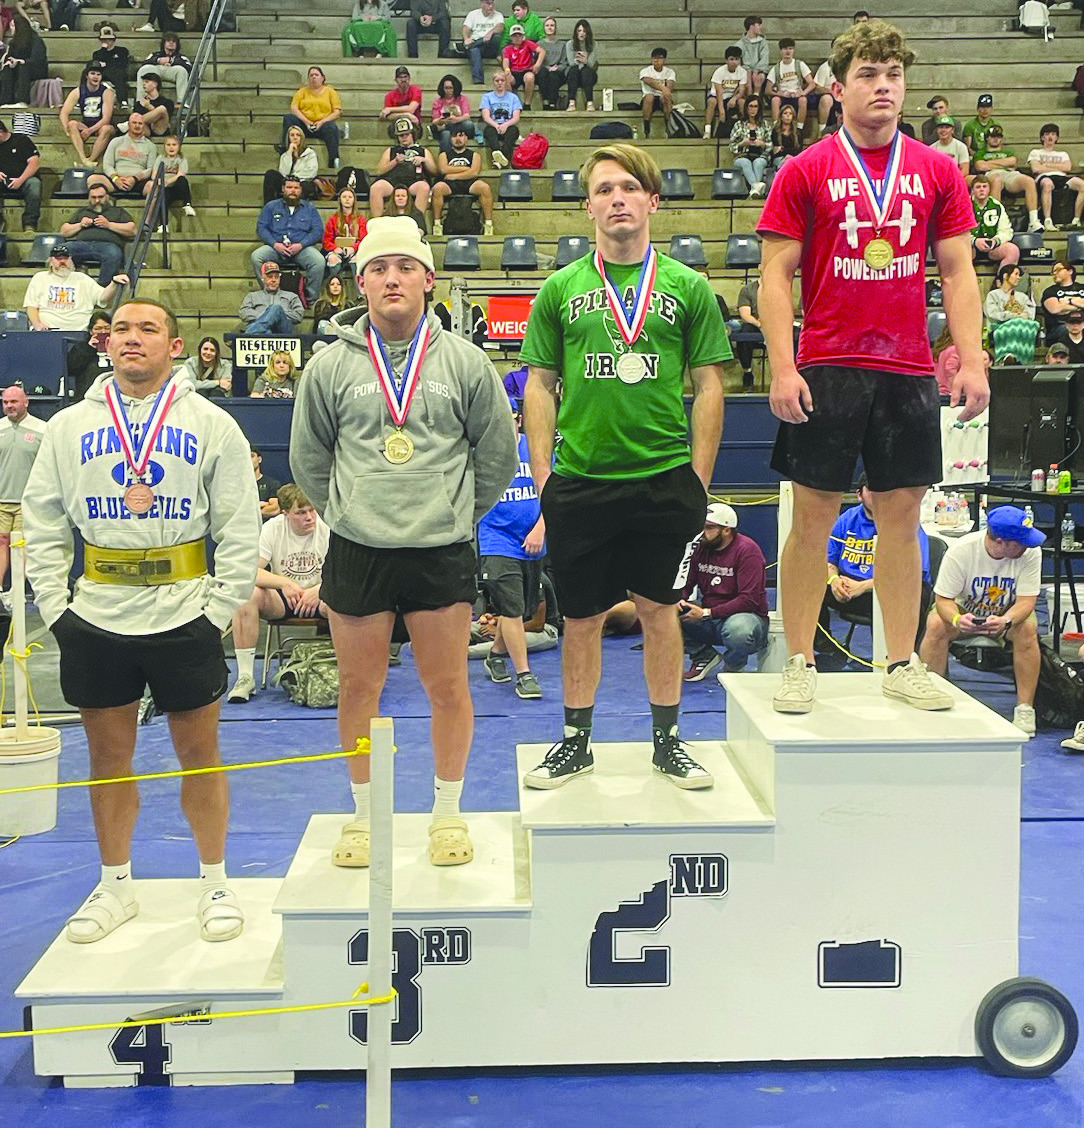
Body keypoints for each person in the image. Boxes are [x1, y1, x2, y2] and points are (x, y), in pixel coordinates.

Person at [756, 19, 988, 714]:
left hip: (908, 365)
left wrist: (971, 361)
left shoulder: (937, 169)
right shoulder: (805, 170)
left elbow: (958, 272)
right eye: (868, 74)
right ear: (840, 85)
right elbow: (774, 275)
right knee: (814, 515)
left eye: (892, 75)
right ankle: (798, 660)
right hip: (827, 361)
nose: (883, 86)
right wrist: (781, 365)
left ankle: (901, 660)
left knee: (902, 513)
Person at [22, 298, 261, 945]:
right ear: (106, 343)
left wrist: (219, 608)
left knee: (199, 754)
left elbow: (238, 523)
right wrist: (57, 606)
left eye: (147, 329)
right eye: (122, 329)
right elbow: (41, 521)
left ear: (175, 346)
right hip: (94, 613)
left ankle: (214, 880)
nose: (132, 338)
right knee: (107, 757)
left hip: (185, 609)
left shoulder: (211, 424)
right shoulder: (68, 428)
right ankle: (116, 885)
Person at [290, 216, 519, 869]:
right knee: (358, 689)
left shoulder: (467, 363)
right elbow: (309, 459)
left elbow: (496, 457)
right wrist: (351, 511)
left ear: (427, 279)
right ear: (359, 282)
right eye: (379, 268)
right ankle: (362, 818)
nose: (392, 278)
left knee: (448, 686)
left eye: (405, 267)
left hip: (439, 550)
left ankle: (447, 813)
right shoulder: (330, 366)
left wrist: (452, 513)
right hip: (359, 550)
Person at [520, 143, 729, 790]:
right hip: (581, 480)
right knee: (579, 617)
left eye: (628, 188)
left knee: (660, 609)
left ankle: (668, 742)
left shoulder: (689, 287)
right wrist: (545, 478)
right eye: (604, 189)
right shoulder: (560, 288)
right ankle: (575, 742)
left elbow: (710, 385)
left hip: (663, 480)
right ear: (587, 207)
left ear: (652, 201)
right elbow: (538, 385)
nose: (617, 199)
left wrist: (698, 478)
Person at [920, 506, 1043, 737]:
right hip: (965, 610)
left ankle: (1025, 708)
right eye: (1021, 541)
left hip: (1007, 612)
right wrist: (957, 619)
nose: (1028, 545)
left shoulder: (1030, 552)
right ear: (999, 542)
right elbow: (943, 599)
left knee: (1027, 629)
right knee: (936, 624)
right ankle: (933, 695)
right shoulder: (962, 551)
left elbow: (1027, 601)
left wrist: (1006, 621)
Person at [227, 483, 330, 703]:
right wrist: (284, 583)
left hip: (322, 595)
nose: (309, 517)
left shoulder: (327, 526)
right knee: (246, 594)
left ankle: (351, 671)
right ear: (285, 514)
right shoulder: (272, 528)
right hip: (284, 599)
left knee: (347, 600)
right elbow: (249, 572)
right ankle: (245, 677)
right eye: (301, 513)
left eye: (311, 510)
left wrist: (319, 590)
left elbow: (347, 573)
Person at [816, 473, 932, 655]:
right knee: (808, 582)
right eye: (871, 490)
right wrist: (834, 581)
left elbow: (912, 575)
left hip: (891, 590)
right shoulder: (847, 519)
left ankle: (903, 655)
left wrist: (864, 586)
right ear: (859, 495)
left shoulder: (905, 523)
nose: (877, 495)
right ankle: (825, 645)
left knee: (918, 592)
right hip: (849, 589)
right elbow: (829, 559)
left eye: (882, 490)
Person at [478, 400, 545, 699]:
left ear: (518, 419)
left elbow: (553, 491)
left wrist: (541, 529)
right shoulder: (482, 452)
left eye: (510, 418)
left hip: (533, 541)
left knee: (520, 609)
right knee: (513, 608)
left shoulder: (536, 447)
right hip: (496, 540)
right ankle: (524, 674)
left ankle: (495, 655)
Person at [679, 503, 769, 681]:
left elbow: (748, 600)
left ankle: (734, 666)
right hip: (711, 616)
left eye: (709, 528)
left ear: (726, 530)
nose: (703, 532)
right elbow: (686, 583)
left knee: (739, 630)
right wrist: (678, 602)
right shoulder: (700, 548)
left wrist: (707, 613)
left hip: (747, 617)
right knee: (666, 613)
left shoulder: (747, 551)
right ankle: (703, 656)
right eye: (702, 527)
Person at [0, 384, 45, 602]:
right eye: (6, 402)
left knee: (20, 546)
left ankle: (16, 592)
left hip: (27, 502)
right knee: (0, 543)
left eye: (14, 402)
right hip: (1, 501)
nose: (9, 406)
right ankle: (1, 591)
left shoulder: (42, 430)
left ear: (25, 402)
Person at [252, 175, 326, 303]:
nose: (293, 190)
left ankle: (309, 299)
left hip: (301, 249)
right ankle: (270, 293)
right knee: (257, 256)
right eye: (289, 187)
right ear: (283, 189)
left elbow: (317, 231)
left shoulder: (310, 208)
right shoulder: (271, 206)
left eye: (296, 188)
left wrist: (301, 245)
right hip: (276, 248)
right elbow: (261, 228)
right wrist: (275, 244)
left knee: (318, 261)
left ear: (300, 190)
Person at [23, 245, 127, 330]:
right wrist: (37, 324)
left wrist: (114, 283)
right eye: (58, 259)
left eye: (65, 258)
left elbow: (103, 297)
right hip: (48, 332)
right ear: (51, 261)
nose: (62, 262)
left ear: (71, 260)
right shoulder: (40, 278)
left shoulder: (82, 279)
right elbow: (31, 307)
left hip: (81, 331)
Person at [58, 182, 135, 287]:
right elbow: (64, 231)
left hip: (107, 246)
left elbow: (132, 230)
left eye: (101, 197)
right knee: (60, 250)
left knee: (113, 253)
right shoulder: (82, 212)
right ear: (89, 198)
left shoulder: (117, 211)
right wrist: (80, 225)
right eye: (93, 197)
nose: (97, 201)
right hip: (82, 245)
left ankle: (102, 290)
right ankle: (62, 285)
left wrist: (108, 225)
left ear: (107, 197)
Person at [972, 125, 1041, 233]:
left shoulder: (1008, 152)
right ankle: (995, 221)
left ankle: (1034, 221)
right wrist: (1003, 163)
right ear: (987, 138)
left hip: (1010, 174)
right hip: (991, 174)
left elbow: (1013, 162)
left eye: (998, 137)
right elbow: (981, 166)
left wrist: (989, 163)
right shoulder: (981, 153)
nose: (995, 139)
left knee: (1029, 181)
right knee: (997, 180)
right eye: (992, 137)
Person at [432, 123, 494, 236]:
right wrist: (465, 169)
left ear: (466, 138)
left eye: (461, 136)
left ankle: (488, 225)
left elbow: (474, 172)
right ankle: (437, 224)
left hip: (469, 183)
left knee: (484, 188)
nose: (458, 139)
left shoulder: (474, 155)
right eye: (454, 136)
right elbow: (443, 169)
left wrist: (453, 175)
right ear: (450, 139)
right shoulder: (444, 155)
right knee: (437, 188)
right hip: (450, 185)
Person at [369, 117, 437, 219]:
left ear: (412, 134)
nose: (404, 138)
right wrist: (394, 162)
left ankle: (417, 224)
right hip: (393, 181)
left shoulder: (422, 151)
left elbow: (434, 171)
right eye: (401, 135)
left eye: (407, 134)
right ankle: (377, 222)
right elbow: (380, 171)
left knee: (424, 187)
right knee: (376, 188)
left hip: (414, 181)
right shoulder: (391, 150)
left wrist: (424, 160)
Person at [281, 66, 342, 171]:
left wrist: (321, 122)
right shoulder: (302, 92)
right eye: (311, 75)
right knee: (288, 118)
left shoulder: (330, 91)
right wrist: (306, 122)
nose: (314, 77)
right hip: (304, 125)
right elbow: (294, 108)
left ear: (322, 78)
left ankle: (333, 159)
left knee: (331, 128)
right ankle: (285, 149)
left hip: (323, 125)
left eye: (316, 75)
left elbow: (337, 112)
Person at [58, 62, 116, 169]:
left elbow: (106, 118)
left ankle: (91, 159)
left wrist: (90, 131)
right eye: (93, 73)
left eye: (98, 74)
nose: (95, 77)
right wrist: (67, 129)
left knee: (107, 129)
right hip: (86, 124)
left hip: (100, 126)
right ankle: (83, 158)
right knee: (72, 124)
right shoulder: (78, 91)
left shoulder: (107, 92)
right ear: (87, 75)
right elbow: (64, 113)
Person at [1027, 123, 1084, 231]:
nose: (1050, 137)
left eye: (1053, 134)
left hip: (1062, 177)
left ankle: (1076, 220)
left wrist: (1046, 165)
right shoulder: (1036, 152)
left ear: (1057, 138)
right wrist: (1058, 167)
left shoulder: (1063, 154)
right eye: (1047, 134)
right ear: (1042, 137)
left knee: (1082, 185)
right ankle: (1048, 220)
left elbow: (1067, 167)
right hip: (1044, 177)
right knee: (1047, 184)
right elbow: (1036, 169)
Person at [984, 262, 1038, 364]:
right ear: (1005, 276)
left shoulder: (1022, 296)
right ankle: (1007, 357)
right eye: (1016, 274)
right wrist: (1012, 316)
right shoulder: (993, 295)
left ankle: (1024, 359)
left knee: (1034, 324)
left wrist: (1024, 316)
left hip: (1022, 326)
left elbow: (1030, 313)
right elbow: (992, 314)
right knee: (1015, 325)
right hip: (1000, 326)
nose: (1019, 278)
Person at [92, 113, 158, 197]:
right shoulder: (116, 142)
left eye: (140, 123)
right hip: (116, 180)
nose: (137, 126)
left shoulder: (151, 146)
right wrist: (116, 179)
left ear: (144, 126)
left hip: (138, 182)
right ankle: (103, 208)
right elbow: (107, 165)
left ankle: (149, 210)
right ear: (128, 124)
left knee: (153, 187)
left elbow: (150, 169)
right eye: (134, 123)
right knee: (92, 179)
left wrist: (134, 178)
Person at [240, 261, 307, 336]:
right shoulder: (252, 296)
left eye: (276, 276)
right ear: (263, 278)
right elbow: (244, 313)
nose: (273, 280)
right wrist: (267, 315)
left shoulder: (291, 296)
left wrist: (278, 314)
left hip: (283, 331)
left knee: (276, 309)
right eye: (270, 277)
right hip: (263, 333)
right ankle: (259, 329)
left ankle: (250, 333)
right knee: (267, 332)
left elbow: (298, 316)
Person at [0, 116, 40, 234]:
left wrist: (20, 180)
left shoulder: (22, 140)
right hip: (3, 181)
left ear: (1, 132)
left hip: (23, 180)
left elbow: (34, 163)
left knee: (34, 184)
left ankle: (29, 225)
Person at [970, 175, 1019, 267]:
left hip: (992, 247)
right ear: (972, 190)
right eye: (978, 187)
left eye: (984, 187)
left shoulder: (997, 206)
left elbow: (1006, 231)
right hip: (970, 246)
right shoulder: (964, 206)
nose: (981, 190)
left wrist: (995, 241)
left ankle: (1003, 280)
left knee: (1012, 250)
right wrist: (974, 241)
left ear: (989, 189)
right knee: (963, 250)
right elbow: (958, 232)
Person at [729, 93, 772, 197]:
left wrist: (762, 144)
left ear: (759, 109)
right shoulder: (739, 125)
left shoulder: (765, 124)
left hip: (760, 156)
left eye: (755, 106)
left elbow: (771, 146)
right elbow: (731, 146)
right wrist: (742, 143)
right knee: (745, 162)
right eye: (751, 106)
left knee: (758, 163)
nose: (753, 109)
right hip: (742, 156)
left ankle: (754, 192)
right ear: (746, 108)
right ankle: (757, 189)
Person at [765, 37, 814, 129]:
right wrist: (779, 93)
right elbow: (767, 90)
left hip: (796, 95)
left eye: (790, 49)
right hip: (783, 96)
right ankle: (776, 129)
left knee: (803, 100)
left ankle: (799, 128)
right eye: (785, 49)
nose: (788, 52)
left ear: (793, 50)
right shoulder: (776, 68)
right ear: (780, 51)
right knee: (775, 100)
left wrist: (803, 93)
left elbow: (812, 83)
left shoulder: (799, 64)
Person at [264, 124, 319, 204]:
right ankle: (269, 207)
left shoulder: (310, 153)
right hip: (286, 183)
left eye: (298, 135)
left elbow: (311, 172)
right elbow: (283, 172)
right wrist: (289, 153)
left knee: (306, 186)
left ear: (301, 138)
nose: (295, 137)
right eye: (292, 135)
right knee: (271, 174)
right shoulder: (285, 155)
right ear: (288, 138)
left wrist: (293, 179)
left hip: (302, 182)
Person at [148, 134, 196, 224]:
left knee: (182, 180)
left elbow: (181, 174)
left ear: (178, 147)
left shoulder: (181, 159)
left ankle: (187, 204)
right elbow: (154, 175)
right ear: (164, 147)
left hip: (176, 187)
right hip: (165, 187)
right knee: (162, 198)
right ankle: (163, 225)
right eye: (168, 145)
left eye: (174, 145)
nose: (171, 148)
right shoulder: (160, 158)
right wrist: (160, 182)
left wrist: (167, 181)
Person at [0, 14, 46, 107]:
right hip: (18, 67)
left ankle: (22, 100)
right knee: (7, 69)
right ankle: (5, 101)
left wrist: (22, 61)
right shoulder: (13, 42)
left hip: (35, 69)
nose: (10, 29)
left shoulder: (36, 40)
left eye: (13, 26)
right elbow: (10, 56)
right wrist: (10, 61)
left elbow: (38, 60)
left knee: (23, 67)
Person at [480, 67, 521, 169]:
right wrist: (497, 126)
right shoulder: (487, 97)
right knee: (489, 131)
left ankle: (498, 161)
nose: (499, 83)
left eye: (502, 80)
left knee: (513, 131)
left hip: (508, 126)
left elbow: (516, 117)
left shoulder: (513, 97)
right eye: (497, 81)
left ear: (505, 82)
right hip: (493, 125)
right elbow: (486, 117)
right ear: (493, 82)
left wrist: (505, 125)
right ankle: (498, 154)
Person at [322, 185, 367, 277]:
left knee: (358, 260)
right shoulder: (333, 219)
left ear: (354, 200)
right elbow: (326, 240)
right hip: (337, 250)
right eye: (344, 197)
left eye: (350, 197)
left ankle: (358, 290)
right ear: (340, 200)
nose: (347, 199)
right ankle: (335, 288)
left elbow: (364, 239)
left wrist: (354, 248)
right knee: (333, 259)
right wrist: (334, 248)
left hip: (354, 250)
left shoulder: (360, 219)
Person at [704, 46, 748, 138]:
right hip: (717, 96)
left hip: (732, 96)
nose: (734, 62)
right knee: (712, 102)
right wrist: (722, 111)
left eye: (736, 59)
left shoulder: (742, 72)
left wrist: (734, 98)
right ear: (726, 60)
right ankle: (707, 130)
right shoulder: (719, 72)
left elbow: (742, 90)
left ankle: (745, 128)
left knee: (742, 102)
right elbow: (719, 92)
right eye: (731, 59)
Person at [137, 33, 191, 103]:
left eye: (174, 41)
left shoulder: (181, 57)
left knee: (182, 70)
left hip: (172, 72)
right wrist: (158, 61)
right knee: (144, 69)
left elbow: (189, 68)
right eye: (168, 41)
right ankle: (141, 101)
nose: (171, 43)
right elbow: (144, 63)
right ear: (164, 43)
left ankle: (182, 102)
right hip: (156, 70)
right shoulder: (155, 55)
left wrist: (172, 61)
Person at [460, 0, 504, 86]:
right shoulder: (473, 14)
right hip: (478, 47)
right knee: (474, 50)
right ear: (482, 4)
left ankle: (467, 47)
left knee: (496, 37)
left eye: (492, 3)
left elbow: (500, 27)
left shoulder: (498, 15)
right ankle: (478, 81)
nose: (490, 6)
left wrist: (490, 33)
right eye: (488, 3)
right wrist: (466, 39)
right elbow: (466, 28)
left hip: (490, 47)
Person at [501, 22, 543, 108]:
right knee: (506, 77)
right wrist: (507, 70)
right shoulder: (507, 49)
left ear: (522, 36)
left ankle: (527, 103)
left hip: (526, 70)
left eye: (519, 35)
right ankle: (511, 103)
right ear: (511, 37)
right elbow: (505, 62)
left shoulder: (528, 44)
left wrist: (537, 64)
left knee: (530, 77)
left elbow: (542, 51)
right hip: (514, 71)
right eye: (514, 35)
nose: (517, 38)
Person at [430, 73, 475, 153]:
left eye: (451, 88)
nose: (449, 90)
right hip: (444, 127)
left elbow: (467, 116)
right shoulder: (438, 102)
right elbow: (434, 121)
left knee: (469, 125)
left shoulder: (462, 99)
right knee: (446, 134)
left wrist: (457, 119)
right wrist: (441, 120)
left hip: (458, 125)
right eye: (446, 88)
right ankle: (446, 158)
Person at [1041, 259, 1084, 342]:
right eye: (1053, 272)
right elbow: (1055, 309)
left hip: (1082, 324)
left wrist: (1067, 303)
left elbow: (1060, 307)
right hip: (1060, 327)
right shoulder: (1050, 291)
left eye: (1058, 270)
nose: (1054, 273)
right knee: (1069, 329)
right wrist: (1077, 303)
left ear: (1070, 271)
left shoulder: (1082, 288)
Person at [639, 46, 675, 139]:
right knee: (649, 97)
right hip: (648, 98)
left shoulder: (670, 72)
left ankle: (669, 128)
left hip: (662, 97)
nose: (656, 60)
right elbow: (648, 81)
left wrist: (665, 91)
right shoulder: (645, 71)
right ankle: (647, 129)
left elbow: (670, 85)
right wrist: (663, 88)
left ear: (664, 60)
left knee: (667, 97)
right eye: (654, 58)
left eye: (659, 58)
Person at [91, 22, 130, 105]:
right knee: (87, 72)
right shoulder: (97, 53)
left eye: (109, 39)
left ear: (113, 39)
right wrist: (104, 49)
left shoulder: (122, 51)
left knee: (119, 75)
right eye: (104, 40)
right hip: (103, 72)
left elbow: (122, 64)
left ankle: (123, 101)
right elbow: (97, 65)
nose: (107, 41)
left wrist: (106, 64)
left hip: (117, 72)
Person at [127, 72, 174, 137]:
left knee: (162, 109)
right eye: (143, 82)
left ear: (155, 84)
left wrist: (149, 107)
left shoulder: (167, 102)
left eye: (147, 82)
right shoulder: (139, 103)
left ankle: (128, 124)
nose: (144, 84)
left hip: (160, 129)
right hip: (145, 131)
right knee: (136, 117)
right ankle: (131, 123)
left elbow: (166, 120)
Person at [565, 19, 597, 112]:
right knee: (573, 71)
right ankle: (571, 102)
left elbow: (591, 63)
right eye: (579, 31)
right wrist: (581, 60)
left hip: (589, 74)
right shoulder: (570, 44)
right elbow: (571, 62)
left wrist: (584, 60)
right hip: (574, 74)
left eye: (584, 31)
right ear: (576, 32)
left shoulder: (594, 44)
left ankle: (590, 102)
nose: (581, 33)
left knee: (586, 71)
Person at [767, 102, 802, 185]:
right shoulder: (775, 131)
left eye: (790, 114)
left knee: (790, 162)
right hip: (778, 159)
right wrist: (785, 153)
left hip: (793, 158)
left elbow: (798, 150)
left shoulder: (798, 132)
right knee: (785, 163)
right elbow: (775, 151)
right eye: (785, 113)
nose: (788, 116)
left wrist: (785, 151)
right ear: (781, 116)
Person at [536, 18, 567, 110]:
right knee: (542, 72)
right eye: (547, 25)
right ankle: (545, 101)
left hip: (557, 72)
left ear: (555, 28)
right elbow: (537, 63)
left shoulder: (562, 45)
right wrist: (547, 68)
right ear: (544, 28)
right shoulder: (539, 44)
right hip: (543, 71)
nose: (550, 28)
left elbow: (564, 62)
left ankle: (553, 103)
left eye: (552, 25)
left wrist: (557, 67)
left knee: (554, 75)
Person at [733, 14, 768, 94]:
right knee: (747, 76)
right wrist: (748, 71)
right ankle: (749, 97)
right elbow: (740, 61)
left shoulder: (763, 42)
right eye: (758, 25)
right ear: (752, 26)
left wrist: (756, 71)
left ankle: (756, 96)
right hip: (746, 71)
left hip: (759, 71)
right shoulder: (740, 44)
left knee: (759, 78)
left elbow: (764, 58)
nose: (760, 27)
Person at [250, 445, 281, 520]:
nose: (248, 459)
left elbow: (275, 509)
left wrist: (247, 510)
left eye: (252, 456)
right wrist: (261, 505)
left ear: (259, 459)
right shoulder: (237, 486)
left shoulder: (272, 484)